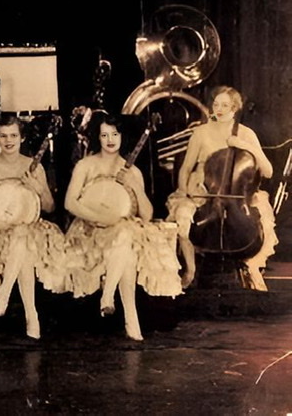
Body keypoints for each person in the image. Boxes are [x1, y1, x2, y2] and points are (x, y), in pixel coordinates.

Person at [65, 114, 181, 341]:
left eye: (115, 134)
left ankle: (108, 297)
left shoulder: (133, 171)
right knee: (126, 241)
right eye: (104, 134)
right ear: (98, 137)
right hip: (90, 230)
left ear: (122, 137)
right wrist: (100, 217)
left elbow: (146, 215)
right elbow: (70, 203)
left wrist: (135, 186)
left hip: (121, 232)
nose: (110, 139)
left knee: (126, 236)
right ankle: (130, 316)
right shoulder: (86, 165)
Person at [0, 115, 67, 339]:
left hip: (28, 228)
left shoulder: (33, 166)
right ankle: (32, 316)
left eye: (13, 136)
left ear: (22, 138)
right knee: (22, 241)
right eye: (3, 136)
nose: (8, 141)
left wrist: (38, 187)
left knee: (23, 236)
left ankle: (6, 294)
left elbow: (49, 207)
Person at [168, 86, 276, 290]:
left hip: (236, 194)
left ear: (234, 108)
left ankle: (252, 266)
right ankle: (190, 270)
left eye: (225, 105)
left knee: (263, 216)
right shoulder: (200, 132)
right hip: (202, 192)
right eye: (216, 104)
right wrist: (184, 192)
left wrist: (246, 146)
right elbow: (185, 169)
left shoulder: (245, 133)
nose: (219, 109)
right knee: (183, 217)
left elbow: (268, 171)